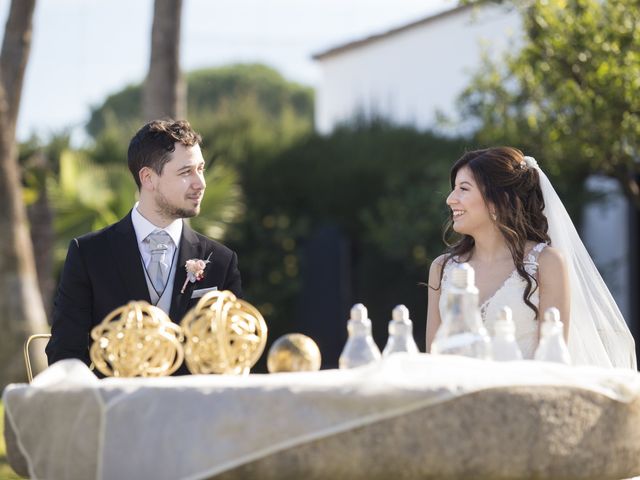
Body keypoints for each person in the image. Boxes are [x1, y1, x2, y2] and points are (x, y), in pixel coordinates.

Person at [46, 119, 241, 372]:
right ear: (148, 178)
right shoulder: (89, 255)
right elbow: (65, 353)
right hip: (116, 408)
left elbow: (235, 353)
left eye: (200, 169)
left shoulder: (222, 260)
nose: (200, 183)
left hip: (195, 409)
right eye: (186, 172)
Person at [426, 147, 636, 369]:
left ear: (499, 199)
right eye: (454, 189)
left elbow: (553, 360)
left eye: (463, 189)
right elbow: (432, 360)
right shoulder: (442, 269)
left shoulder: (546, 263)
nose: (450, 199)